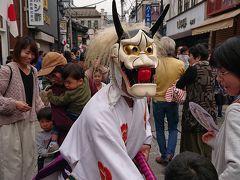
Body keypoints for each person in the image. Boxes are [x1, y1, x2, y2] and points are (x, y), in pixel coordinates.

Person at [58, 1, 170, 179]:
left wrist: (145, 143)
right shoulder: (101, 112)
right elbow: (120, 173)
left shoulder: (138, 97)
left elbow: (143, 125)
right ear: (116, 64)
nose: (144, 62)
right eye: (133, 52)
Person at [0, 36, 44, 180]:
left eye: (32, 54)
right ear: (18, 51)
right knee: (11, 161)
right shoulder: (7, 70)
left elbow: (36, 97)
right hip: (10, 123)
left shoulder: (33, 71)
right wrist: (14, 104)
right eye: (26, 52)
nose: (29, 56)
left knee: (29, 159)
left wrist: (44, 114)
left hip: (28, 122)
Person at [202, 36, 240, 180]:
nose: (218, 78)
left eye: (223, 71)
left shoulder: (235, 111)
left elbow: (237, 169)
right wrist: (219, 141)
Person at [176, 43, 217, 159]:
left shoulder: (193, 69)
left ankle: (193, 166)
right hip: (209, 112)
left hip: (194, 113)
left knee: (193, 143)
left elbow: (179, 85)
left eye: (190, 56)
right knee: (207, 141)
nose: (189, 58)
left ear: (197, 57)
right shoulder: (213, 69)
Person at [152, 36, 185, 165]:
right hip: (172, 99)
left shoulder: (155, 63)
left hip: (157, 100)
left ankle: (164, 155)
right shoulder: (180, 64)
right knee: (172, 128)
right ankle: (171, 153)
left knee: (159, 129)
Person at [38, 52, 74, 145]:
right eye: (48, 77)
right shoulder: (53, 92)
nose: (52, 79)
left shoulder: (83, 81)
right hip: (68, 140)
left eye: (53, 75)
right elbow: (61, 121)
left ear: (63, 69)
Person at [36, 107, 59, 171]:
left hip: (58, 162)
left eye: (48, 121)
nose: (45, 124)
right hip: (46, 164)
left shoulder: (57, 132)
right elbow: (40, 151)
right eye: (42, 122)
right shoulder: (40, 136)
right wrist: (52, 152)